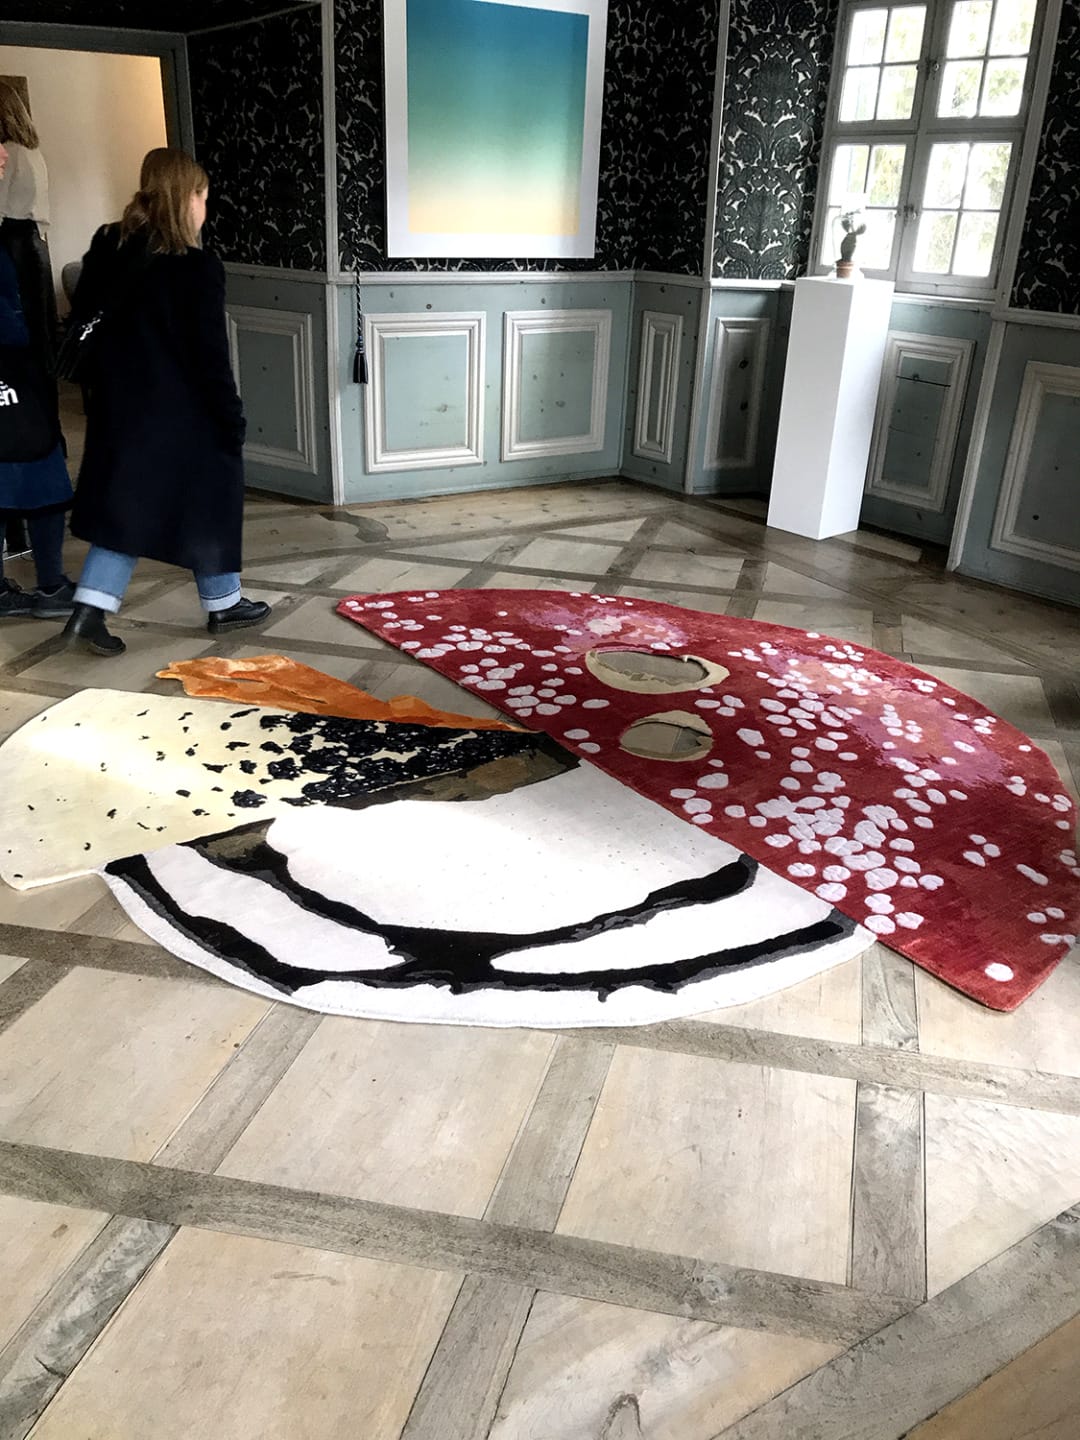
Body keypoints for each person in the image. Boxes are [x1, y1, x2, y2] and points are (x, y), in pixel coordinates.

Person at [63, 147, 270, 656]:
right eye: (203, 195)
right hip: (183, 413)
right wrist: (231, 416)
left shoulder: (109, 243)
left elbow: (87, 312)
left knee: (128, 504)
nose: (206, 205)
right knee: (212, 494)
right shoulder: (196, 268)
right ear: (187, 197)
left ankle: (91, 609)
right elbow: (209, 358)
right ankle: (223, 603)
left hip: (118, 406)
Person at [0, 139, 74, 619]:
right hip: (13, 374)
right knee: (41, 475)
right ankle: (49, 587)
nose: (4, 156)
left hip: (17, 369)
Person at [0, 80, 59, 375]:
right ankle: (43, 392)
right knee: (40, 321)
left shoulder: (7, 153)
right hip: (35, 239)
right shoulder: (33, 152)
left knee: (16, 319)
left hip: (12, 240)